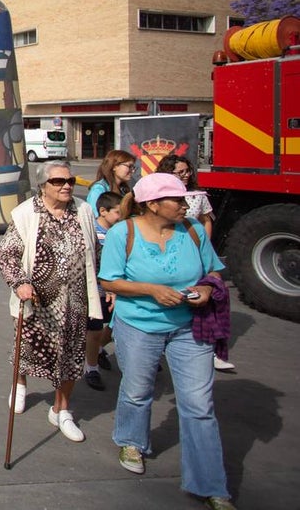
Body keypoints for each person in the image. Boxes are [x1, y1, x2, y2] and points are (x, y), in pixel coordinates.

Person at [97, 173, 235, 510]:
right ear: (152, 204)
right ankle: (131, 441)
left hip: (190, 327)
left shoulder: (193, 230)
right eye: (177, 199)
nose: (185, 205)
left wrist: (205, 289)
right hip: (138, 326)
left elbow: (214, 271)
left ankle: (211, 485)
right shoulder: (122, 233)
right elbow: (109, 281)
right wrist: (151, 290)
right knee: (138, 389)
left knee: (199, 407)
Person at [0, 160, 101, 442]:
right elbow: (7, 255)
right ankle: (19, 383)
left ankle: (61, 409)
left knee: (70, 356)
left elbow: (95, 250)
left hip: (76, 300)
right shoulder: (25, 213)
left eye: (70, 180)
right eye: (58, 181)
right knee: (27, 348)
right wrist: (20, 283)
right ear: (43, 186)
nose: (66, 185)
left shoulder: (84, 210)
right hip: (37, 300)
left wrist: (103, 287)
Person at [155, 154, 234, 372]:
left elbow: (206, 220)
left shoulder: (198, 196)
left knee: (205, 298)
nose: (185, 176)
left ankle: (211, 346)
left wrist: (203, 244)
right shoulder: (158, 198)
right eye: (179, 172)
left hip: (195, 249)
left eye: (187, 171)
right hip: (171, 251)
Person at [84, 191, 122, 390]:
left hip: (115, 291)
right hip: (96, 291)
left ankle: (98, 350)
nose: (121, 216)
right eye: (118, 212)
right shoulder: (93, 232)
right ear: (103, 211)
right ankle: (92, 368)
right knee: (95, 329)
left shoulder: (119, 232)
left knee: (114, 325)